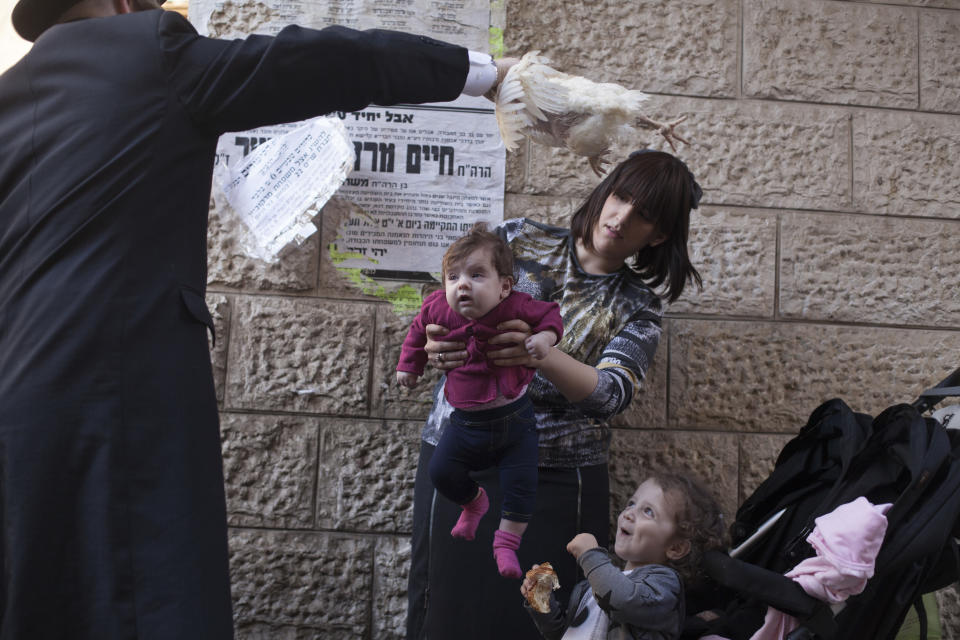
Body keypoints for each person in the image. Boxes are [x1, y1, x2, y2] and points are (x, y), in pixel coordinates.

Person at [0, 0, 517, 634]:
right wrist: (482, 75)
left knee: (38, 592)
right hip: (123, 392)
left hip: (15, 403)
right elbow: (325, 62)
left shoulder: (9, 97)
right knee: (150, 594)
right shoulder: (149, 51)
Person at [406, 149, 704, 639]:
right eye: (621, 196)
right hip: (462, 451)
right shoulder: (516, 237)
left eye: (644, 214)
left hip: (558, 476)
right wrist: (435, 342)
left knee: (545, 611)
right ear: (604, 191)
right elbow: (443, 301)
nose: (622, 216)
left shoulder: (638, 305)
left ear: (660, 235)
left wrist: (538, 354)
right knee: (442, 607)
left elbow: (611, 393)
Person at [397, 223, 563, 578]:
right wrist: (409, 367)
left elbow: (551, 315)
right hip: (465, 422)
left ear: (504, 286)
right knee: (441, 471)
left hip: (514, 422)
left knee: (522, 489)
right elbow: (416, 334)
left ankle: (505, 544)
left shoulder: (518, 305)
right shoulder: (438, 309)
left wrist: (546, 339)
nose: (462, 285)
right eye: (453, 276)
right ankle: (473, 504)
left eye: (476, 275)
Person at [520, 470, 726, 640]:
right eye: (631, 503)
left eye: (648, 512)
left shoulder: (664, 586)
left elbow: (623, 600)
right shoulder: (591, 587)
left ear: (675, 548)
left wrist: (590, 555)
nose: (629, 513)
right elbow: (563, 634)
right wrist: (540, 599)